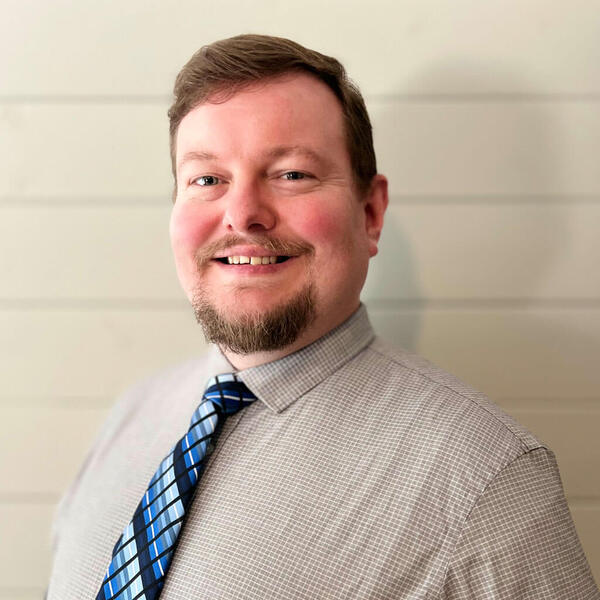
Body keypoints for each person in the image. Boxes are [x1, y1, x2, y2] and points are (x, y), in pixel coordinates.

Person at [47, 34, 599, 599]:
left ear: (371, 213)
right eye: (207, 180)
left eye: (291, 174)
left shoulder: (485, 476)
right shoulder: (132, 415)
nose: (243, 214)